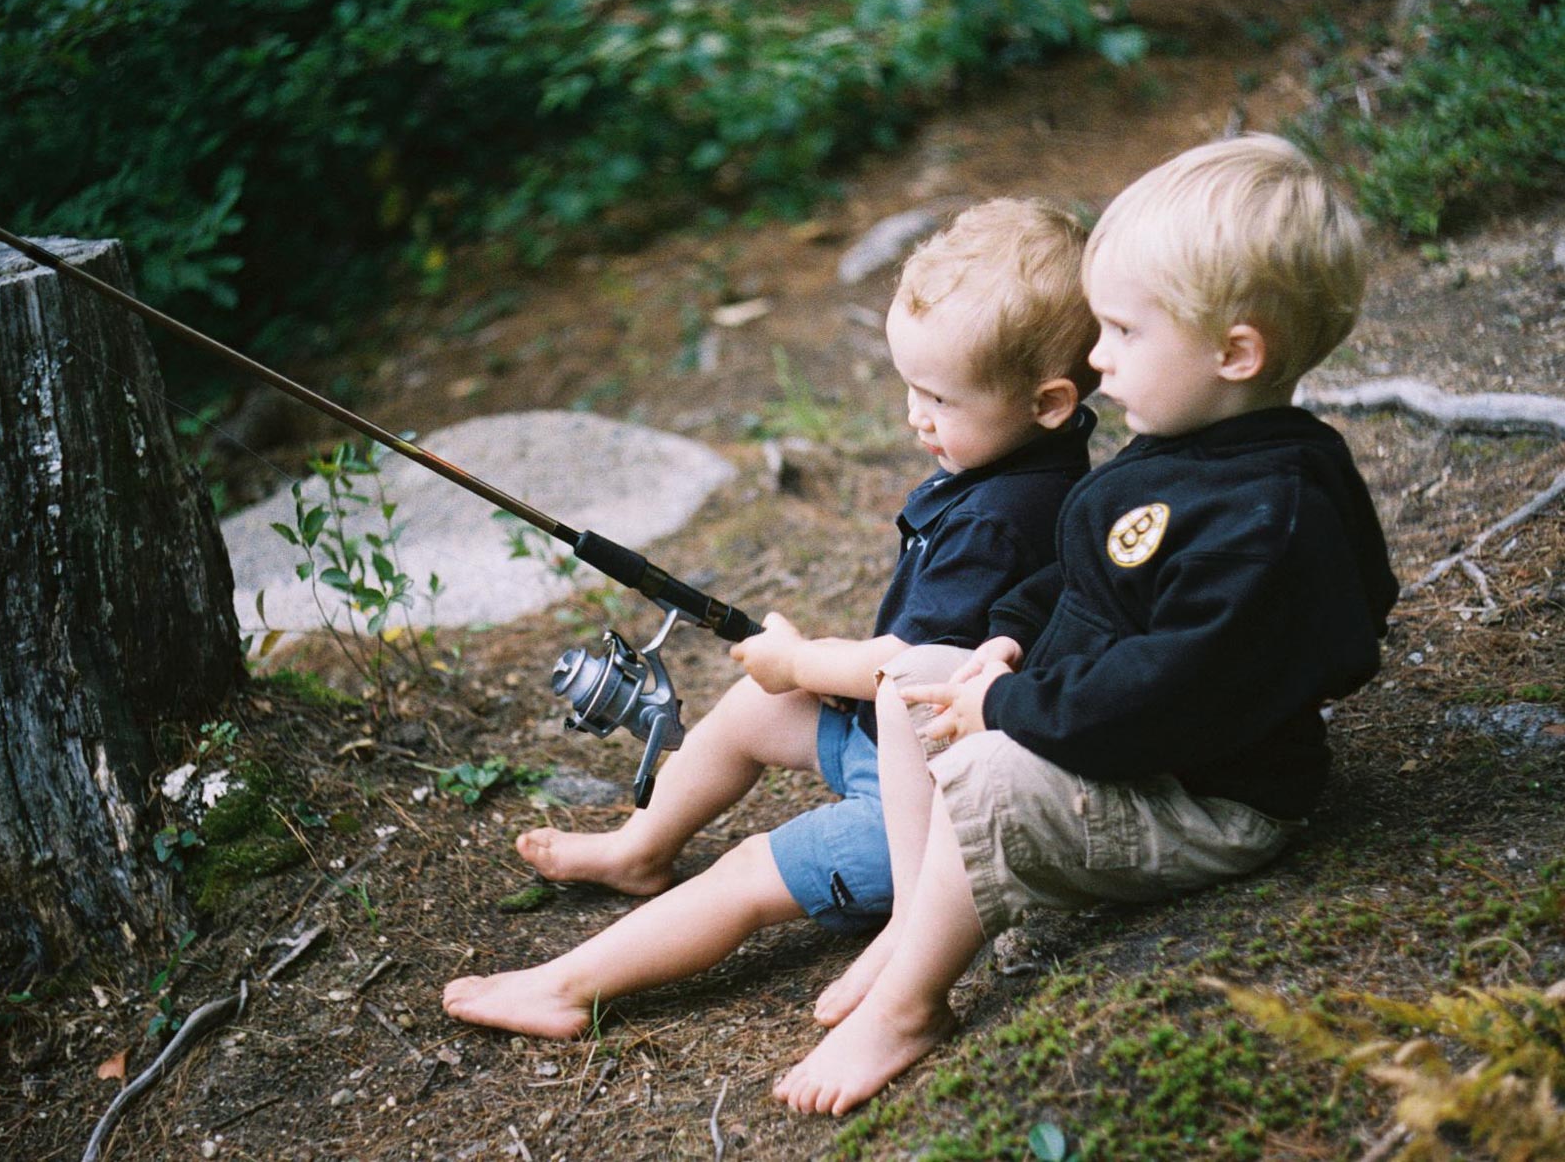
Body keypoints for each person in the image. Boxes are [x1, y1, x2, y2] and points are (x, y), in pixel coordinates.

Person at [772, 133, 1401, 1116]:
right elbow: (1077, 578)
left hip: (1203, 801)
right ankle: (911, 918)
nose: (1097, 360)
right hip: (1108, 737)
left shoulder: (1268, 512)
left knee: (987, 769)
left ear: (1236, 353)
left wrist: (1013, 705)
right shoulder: (1180, 447)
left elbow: (1161, 695)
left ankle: (912, 1005)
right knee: (913, 681)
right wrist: (1010, 643)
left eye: (1122, 333)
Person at [442, 199, 1103, 1039]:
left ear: (1046, 401)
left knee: (751, 869)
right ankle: (641, 847)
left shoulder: (1001, 515)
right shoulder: (1028, 454)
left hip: (931, 811)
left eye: (940, 396)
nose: (915, 415)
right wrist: (789, 679)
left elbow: (896, 666)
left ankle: (569, 986)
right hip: (895, 742)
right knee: (753, 711)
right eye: (910, 386)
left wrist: (797, 659)